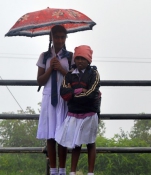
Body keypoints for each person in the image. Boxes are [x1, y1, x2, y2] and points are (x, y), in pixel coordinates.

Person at [55, 45, 101, 175]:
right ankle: (72, 172)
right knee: (76, 142)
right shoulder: (69, 74)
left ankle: (90, 172)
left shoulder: (94, 74)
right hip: (74, 113)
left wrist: (73, 93)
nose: (80, 61)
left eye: (83, 58)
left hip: (89, 113)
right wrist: (80, 90)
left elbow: (92, 94)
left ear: (89, 60)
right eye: (78, 58)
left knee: (90, 142)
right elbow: (63, 93)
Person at [36, 25, 72, 175]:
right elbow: (39, 81)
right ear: (51, 37)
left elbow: (73, 78)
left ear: (65, 39)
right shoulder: (44, 56)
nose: (59, 40)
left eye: (62, 37)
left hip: (64, 97)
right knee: (50, 135)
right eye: (56, 37)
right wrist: (51, 68)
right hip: (49, 97)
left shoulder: (70, 56)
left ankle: (62, 170)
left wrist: (61, 69)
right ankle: (53, 170)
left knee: (62, 134)